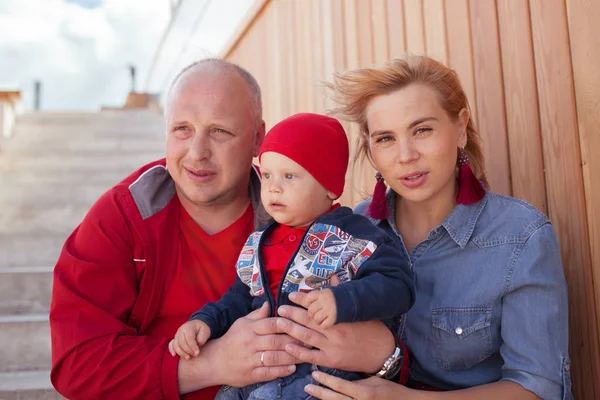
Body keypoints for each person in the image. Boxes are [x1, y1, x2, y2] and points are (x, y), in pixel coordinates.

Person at [49, 59, 406, 400]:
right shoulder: (125, 214)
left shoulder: (308, 221)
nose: (197, 152)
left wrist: (385, 354)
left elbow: (399, 329)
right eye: (182, 129)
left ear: (257, 139)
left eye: (219, 131)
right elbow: (76, 362)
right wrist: (213, 363)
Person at [295, 55, 574, 400]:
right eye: (386, 139)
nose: (406, 155)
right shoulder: (347, 233)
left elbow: (539, 387)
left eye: (422, 130)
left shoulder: (521, 235)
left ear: (460, 127)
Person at [169, 113, 415, 399]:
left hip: (320, 372)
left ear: (329, 187)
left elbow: (398, 285)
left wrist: (343, 300)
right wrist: (205, 321)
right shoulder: (259, 242)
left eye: (289, 176)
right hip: (262, 367)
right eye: (268, 175)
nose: (274, 187)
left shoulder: (353, 237)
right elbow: (238, 298)